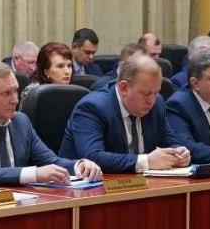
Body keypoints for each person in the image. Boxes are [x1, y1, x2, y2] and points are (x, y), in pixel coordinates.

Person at [0, 62, 102, 187]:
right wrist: (32, 174)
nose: (15, 100)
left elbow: (50, 160)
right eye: (6, 93)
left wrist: (79, 165)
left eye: (16, 91)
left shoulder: (21, 121)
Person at [59, 54, 190, 173]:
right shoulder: (93, 107)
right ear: (124, 88)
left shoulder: (157, 104)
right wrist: (146, 161)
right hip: (86, 187)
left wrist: (179, 153)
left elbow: (170, 140)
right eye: (146, 93)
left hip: (140, 184)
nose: (152, 100)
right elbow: (93, 157)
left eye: (156, 93)